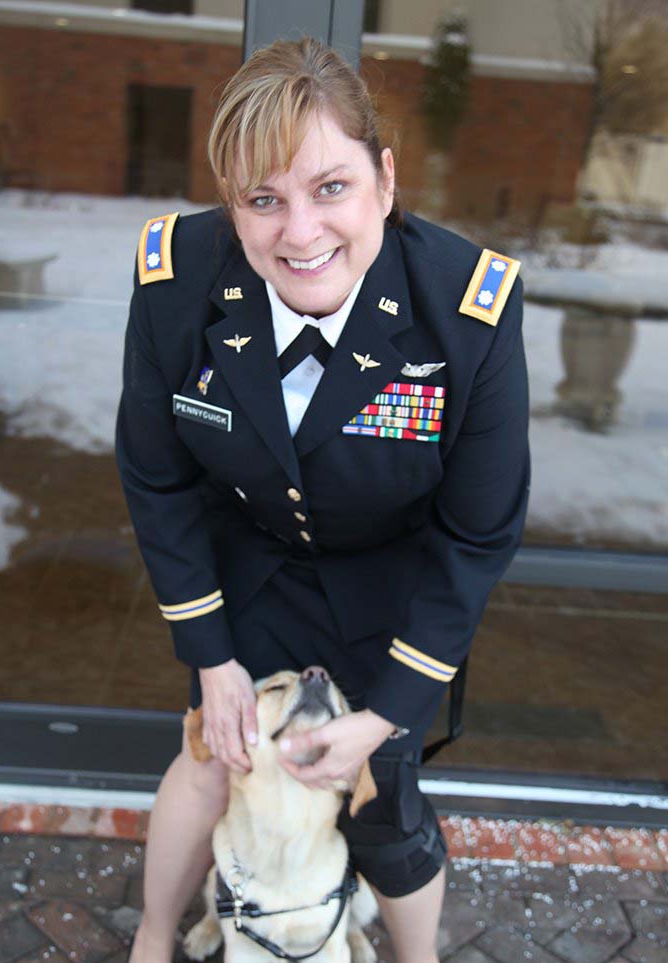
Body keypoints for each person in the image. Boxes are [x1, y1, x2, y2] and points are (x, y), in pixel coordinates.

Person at [115, 36, 529, 963]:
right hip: (249, 566)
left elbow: (478, 531)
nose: (299, 232)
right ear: (234, 205)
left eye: (330, 187)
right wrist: (211, 654)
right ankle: (153, 935)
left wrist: (386, 715)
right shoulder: (179, 285)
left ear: (384, 179)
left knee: (383, 799)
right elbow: (157, 474)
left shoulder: (466, 313)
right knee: (213, 760)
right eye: (264, 199)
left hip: (391, 588)